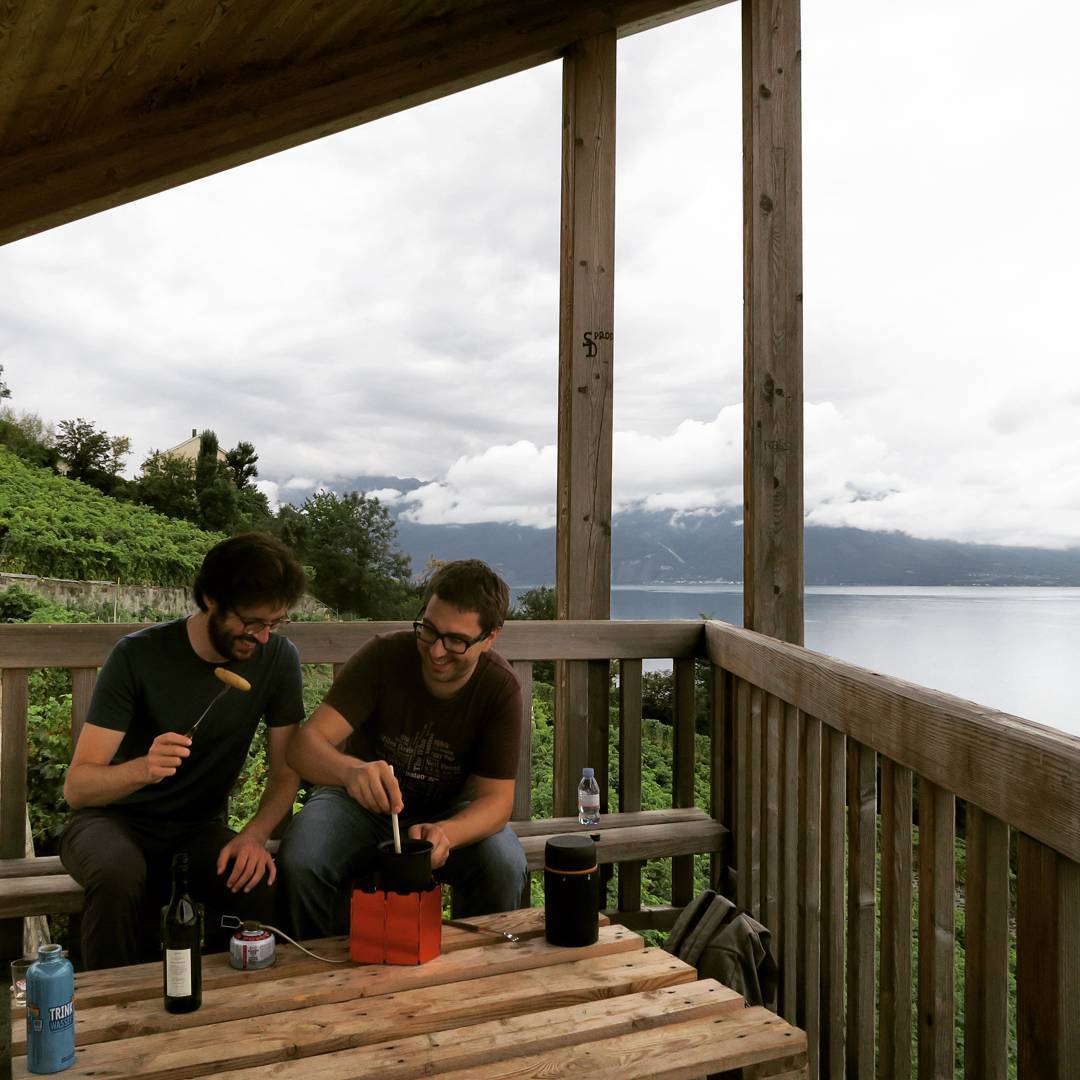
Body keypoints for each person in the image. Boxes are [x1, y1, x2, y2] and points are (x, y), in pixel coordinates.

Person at [60, 532, 306, 970]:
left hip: (197, 830)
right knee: (118, 873)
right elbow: (77, 788)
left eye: (275, 623)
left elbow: (286, 770)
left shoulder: (278, 659)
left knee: (255, 879)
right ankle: (110, 1012)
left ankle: (226, 1016)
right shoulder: (138, 655)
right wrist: (143, 769)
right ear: (211, 598)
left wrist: (253, 835)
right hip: (110, 821)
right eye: (251, 623)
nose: (263, 637)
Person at [279, 559, 527, 938]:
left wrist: (447, 833)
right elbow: (303, 747)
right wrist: (350, 771)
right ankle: (320, 974)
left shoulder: (498, 688)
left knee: (505, 864)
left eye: (456, 640)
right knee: (302, 858)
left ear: (490, 637)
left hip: (448, 811)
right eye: (428, 629)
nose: (437, 651)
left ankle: (477, 979)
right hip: (358, 804)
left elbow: (496, 802)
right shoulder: (384, 657)